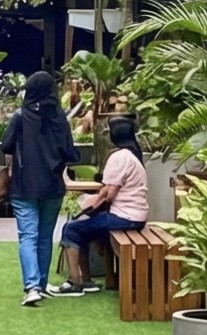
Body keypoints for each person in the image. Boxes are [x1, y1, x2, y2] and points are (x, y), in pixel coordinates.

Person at [0, 70, 80, 307]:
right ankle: (42, 284)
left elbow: (6, 145)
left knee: (28, 236)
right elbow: (70, 152)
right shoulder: (60, 118)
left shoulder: (20, 116)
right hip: (53, 186)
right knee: (45, 237)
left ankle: (32, 286)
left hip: (24, 185)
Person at [47, 117, 148, 297]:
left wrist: (90, 206)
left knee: (71, 228)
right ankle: (85, 281)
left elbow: (109, 194)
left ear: (115, 135)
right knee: (81, 228)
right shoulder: (133, 155)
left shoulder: (119, 157)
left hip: (124, 217)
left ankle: (74, 282)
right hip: (135, 216)